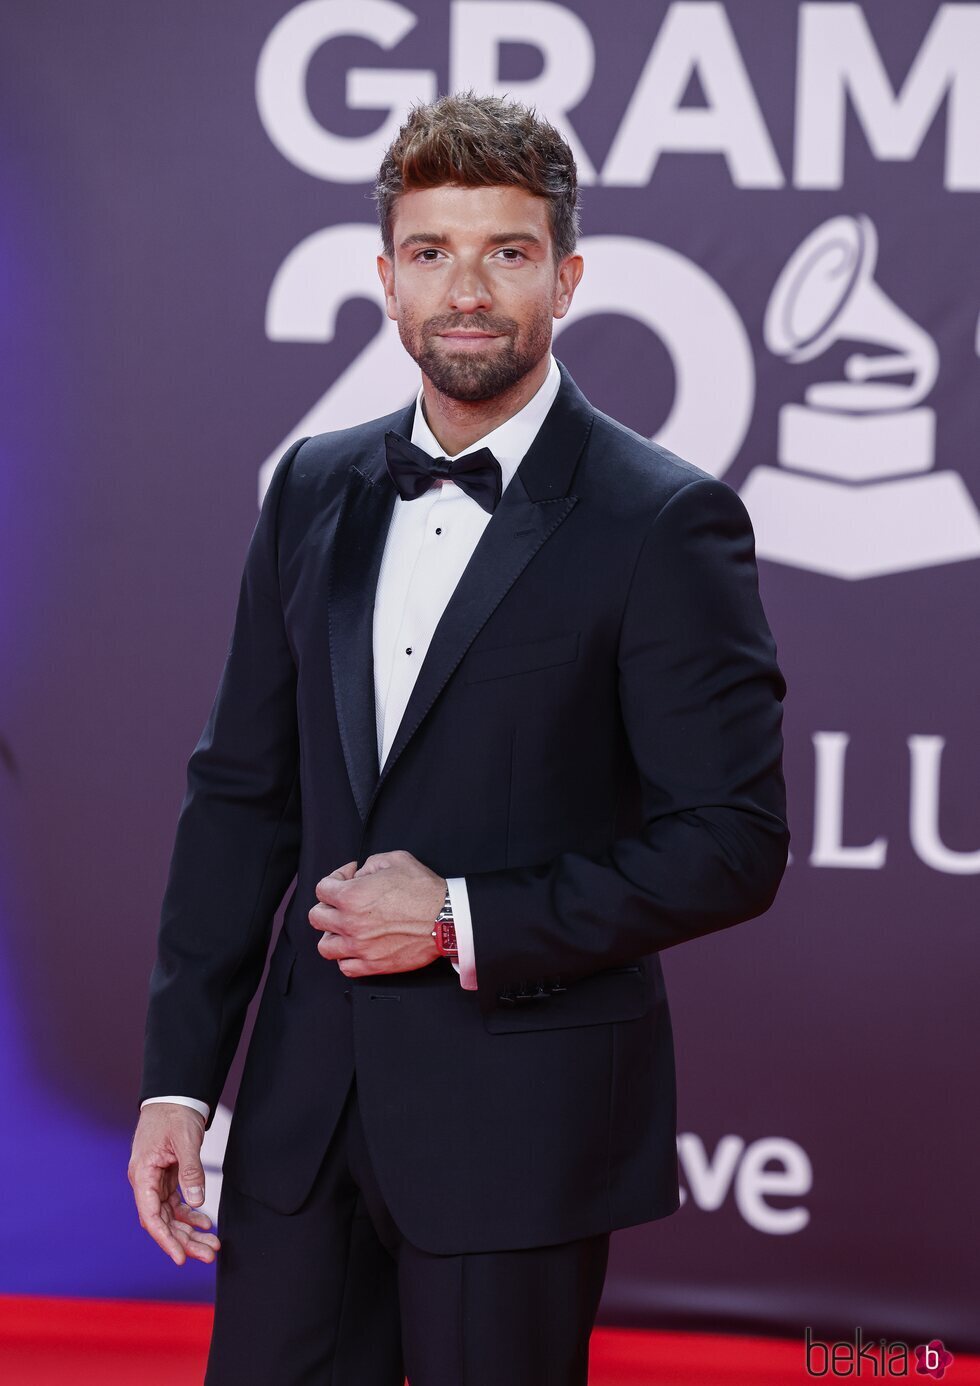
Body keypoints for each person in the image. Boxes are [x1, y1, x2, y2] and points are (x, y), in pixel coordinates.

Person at [129, 90, 789, 1385]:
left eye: (507, 251)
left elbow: (734, 841)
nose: (467, 288)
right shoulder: (315, 481)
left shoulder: (665, 521)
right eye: (431, 252)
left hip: (518, 1133)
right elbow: (242, 798)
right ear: (385, 278)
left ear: (568, 275)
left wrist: (457, 920)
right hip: (300, 1121)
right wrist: (179, 1080)